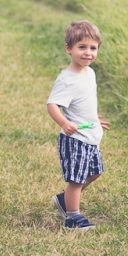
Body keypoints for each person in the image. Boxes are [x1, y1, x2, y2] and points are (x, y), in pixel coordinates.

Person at [46, 20, 110, 231]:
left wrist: (93, 119)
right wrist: (64, 123)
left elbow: (84, 102)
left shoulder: (89, 73)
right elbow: (52, 104)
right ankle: (72, 217)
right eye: (81, 47)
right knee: (76, 179)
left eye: (93, 48)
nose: (88, 53)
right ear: (69, 49)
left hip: (91, 134)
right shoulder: (67, 80)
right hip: (75, 139)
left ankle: (64, 200)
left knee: (95, 172)